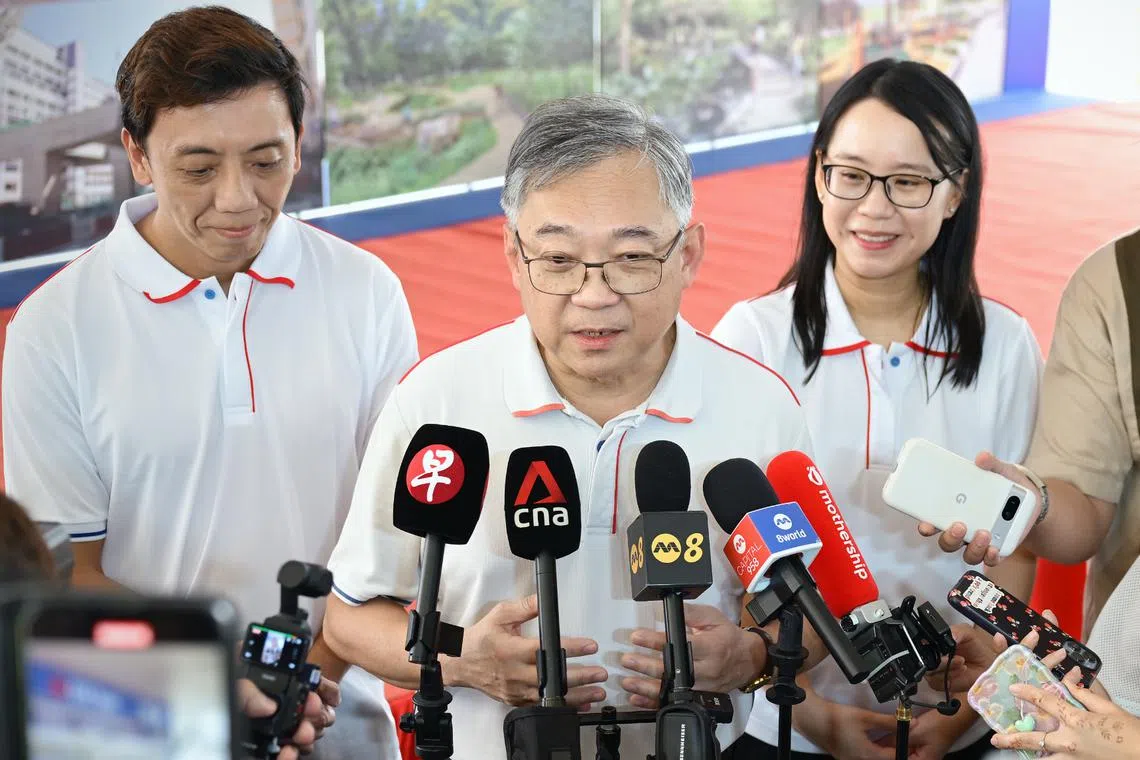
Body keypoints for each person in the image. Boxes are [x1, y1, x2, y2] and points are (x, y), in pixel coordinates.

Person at [320, 93, 823, 758]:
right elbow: (352, 615)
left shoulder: (761, 407)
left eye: (632, 258)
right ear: (512, 254)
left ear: (690, 254)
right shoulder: (436, 404)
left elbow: (812, 621)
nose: (594, 294)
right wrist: (465, 654)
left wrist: (752, 656)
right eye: (557, 260)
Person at [0, 7, 417, 758]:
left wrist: (305, 690)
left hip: (339, 724)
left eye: (267, 161)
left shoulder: (366, 292)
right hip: (144, 723)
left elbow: (388, 535)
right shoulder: (54, 328)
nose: (236, 199)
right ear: (137, 154)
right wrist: (216, 687)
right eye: (198, 168)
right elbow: (70, 573)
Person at [711, 59, 1042, 760]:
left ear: (956, 192)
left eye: (909, 182)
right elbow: (732, 560)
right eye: (851, 175)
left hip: (958, 726)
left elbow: (1015, 550)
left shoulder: (1006, 345)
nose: (874, 208)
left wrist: (965, 711)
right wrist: (815, 716)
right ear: (818, 173)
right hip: (788, 726)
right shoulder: (753, 338)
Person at [919, 223, 1140, 716]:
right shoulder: (1117, 282)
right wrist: (1035, 503)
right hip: (1125, 694)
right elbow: (1078, 514)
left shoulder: (1005, 338)